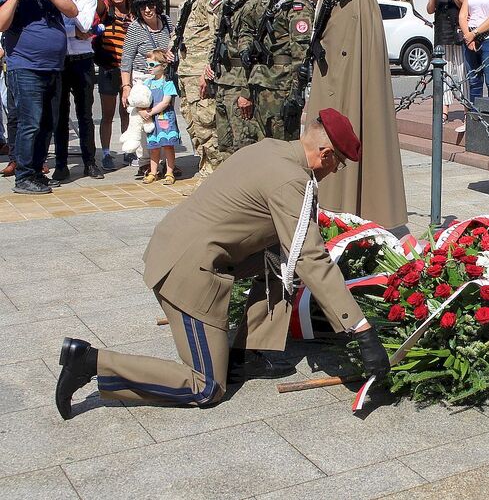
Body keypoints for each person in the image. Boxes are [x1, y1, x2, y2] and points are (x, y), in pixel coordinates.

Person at [54, 108, 391, 419]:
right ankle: (90, 362)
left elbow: (292, 252)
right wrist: (361, 330)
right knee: (205, 388)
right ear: (326, 155)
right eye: (339, 164)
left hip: (181, 246)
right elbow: (310, 257)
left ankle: (246, 353)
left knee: (280, 261)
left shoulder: (271, 149)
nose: (335, 171)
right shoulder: (291, 181)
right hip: (187, 269)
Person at [305, 0, 408, 229]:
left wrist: (344, 89)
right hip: (330, 82)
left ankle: (348, 208)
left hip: (346, 87)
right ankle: (328, 206)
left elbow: (358, 54)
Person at [0, 0, 78, 194]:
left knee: (47, 124)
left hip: (53, 67)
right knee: (30, 123)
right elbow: (1, 23)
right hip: (25, 67)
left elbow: (72, 11)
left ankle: (35, 172)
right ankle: (23, 177)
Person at [244, 0, 313, 143]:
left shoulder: (297, 4)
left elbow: (301, 54)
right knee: (260, 146)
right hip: (260, 82)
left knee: (283, 147)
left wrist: (294, 93)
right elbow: (246, 29)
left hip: (281, 87)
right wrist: (246, 48)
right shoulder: (264, 1)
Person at [52, 0, 103, 182]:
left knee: (85, 114)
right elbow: (55, 30)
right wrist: (75, 31)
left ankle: (90, 162)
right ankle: (61, 164)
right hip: (59, 59)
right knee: (59, 115)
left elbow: (84, 23)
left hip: (82, 59)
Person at [176, 0, 225, 178]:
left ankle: (213, 176)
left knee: (207, 126)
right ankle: (205, 169)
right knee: (194, 125)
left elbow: (218, 36)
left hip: (199, 71)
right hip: (186, 69)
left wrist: (209, 71)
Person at [208, 0, 260, 160]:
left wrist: (247, 92)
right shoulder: (228, 3)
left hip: (239, 84)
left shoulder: (252, 5)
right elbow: (218, 38)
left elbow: (254, 54)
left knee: (243, 146)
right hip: (223, 80)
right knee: (225, 145)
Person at [120, 0, 174, 177]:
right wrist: (126, 87)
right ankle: (145, 163)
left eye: (150, 5)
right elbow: (126, 58)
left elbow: (174, 44)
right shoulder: (136, 27)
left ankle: (169, 165)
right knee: (145, 120)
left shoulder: (167, 22)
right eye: (143, 7)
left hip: (163, 78)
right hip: (143, 80)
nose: (148, 10)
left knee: (164, 119)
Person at [91, 0, 133, 171]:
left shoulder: (134, 13)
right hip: (109, 69)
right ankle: (106, 153)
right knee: (107, 115)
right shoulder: (105, 11)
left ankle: (128, 150)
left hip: (129, 71)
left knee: (127, 113)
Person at [426, 0, 473, 124]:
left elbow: (466, 5)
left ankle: (466, 109)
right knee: (444, 71)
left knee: (462, 72)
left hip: (459, 31)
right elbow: (430, 10)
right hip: (442, 32)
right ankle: (444, 110)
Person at [139, 50, 181, 185]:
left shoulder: (167, 82)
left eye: (152, 64)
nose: (149, 67)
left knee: (168, 146)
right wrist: (141, 111)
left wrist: (150, 112)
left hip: (165, 119)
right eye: (147, 64)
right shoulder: (147, 83)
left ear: (163, 66)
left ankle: (169, 171)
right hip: (152, 121)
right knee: (154, 147)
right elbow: (140, 100)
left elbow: (165, 102)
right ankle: (153, 171)